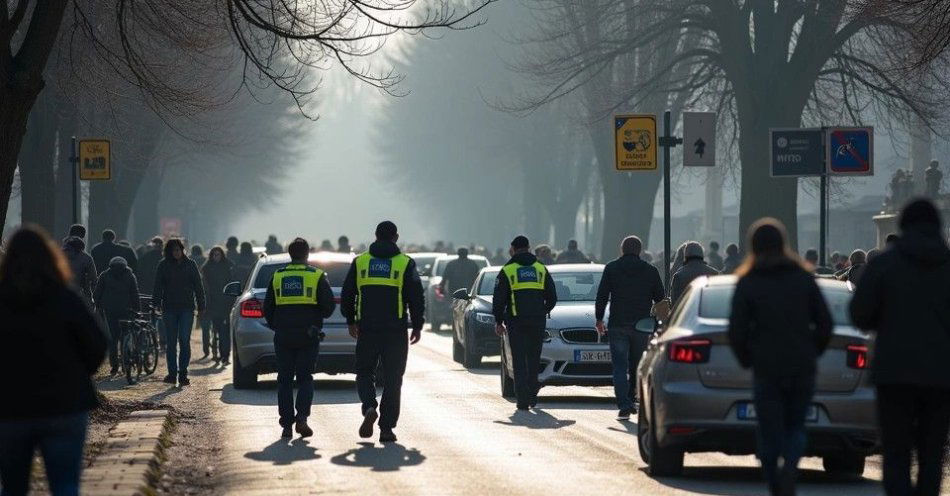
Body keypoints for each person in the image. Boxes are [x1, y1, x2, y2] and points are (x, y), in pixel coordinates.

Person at [850, 199, 950, 496]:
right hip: (941, 373)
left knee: (896, 451)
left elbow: (859, 314)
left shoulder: (884, 264)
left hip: (894, 372)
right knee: (932, 453)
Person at [728, 218, 833, 496]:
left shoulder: (749, 281)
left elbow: (736, 328)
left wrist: (746, 357)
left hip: (766, 364)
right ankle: (791, 466)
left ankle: (774, 474)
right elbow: (825, 323)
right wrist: (814, 350)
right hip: (801, 363)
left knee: (768, 425)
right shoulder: (803, 278)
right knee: (796, 424)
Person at [0, 226, 107, 496]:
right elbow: (97, 344)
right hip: (65, 405)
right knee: (65, 485)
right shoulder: (65, 297)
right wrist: (79, 374)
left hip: (10, 407)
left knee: (12, 487)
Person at [341, 221, 425, 443]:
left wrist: (350, 320)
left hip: (367, 328)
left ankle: (369, 405)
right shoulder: (405, 263)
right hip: (395, 331)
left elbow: (348, 293)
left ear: (376, 236)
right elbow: (416, 295)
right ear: (396, 237)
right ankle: (386, 428)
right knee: (393, 378)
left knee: (364, 371)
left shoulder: (361, 262)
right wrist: (417, 324)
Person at [263, 238, 335, 438]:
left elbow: (267, 307)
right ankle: (302, 418)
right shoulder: (317, 275)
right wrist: (315, 316)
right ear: (307, 254)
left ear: (289, 253)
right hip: (308, 335)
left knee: (284, 380)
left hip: (284, 334)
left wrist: (277, 325)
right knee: (305, 378)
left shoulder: (278, 276)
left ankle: (286, 425)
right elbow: (329, 307)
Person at [594, 235, 665, 420]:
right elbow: (660, 297)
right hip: (642, 324)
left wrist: (599, 319)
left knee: (619, 366)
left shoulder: (611, 268)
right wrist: (664, 321)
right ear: (640, 250)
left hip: (618, 323)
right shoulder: (650, 270)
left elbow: (602, 295)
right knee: (638, 364)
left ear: (622, 249)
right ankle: (633, 396)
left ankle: (623, 404)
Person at [493, 236, 558, 410]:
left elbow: (498, 299)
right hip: (537, 322)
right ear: (529, 248)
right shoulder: (540, 269)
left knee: (519, 360)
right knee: (534, 359)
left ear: (513, 249)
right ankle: (532, 394)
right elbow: (552, 297)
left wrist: (499, 321)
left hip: (516, 322)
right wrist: (543, 311)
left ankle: (522, 400)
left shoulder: (508, 270)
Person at [153, 238, 206, 386]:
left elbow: (198, 287)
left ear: (182, 250)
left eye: (178, 249)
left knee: (184, 340)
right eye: (173, 250)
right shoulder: (163, 265)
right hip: (169, 308)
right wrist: (156, 303)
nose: (176, 253)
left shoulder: (191, 265)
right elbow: (157, 286)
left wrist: (202, 306)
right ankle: (171, 374)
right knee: (171, 343)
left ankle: (183, 373)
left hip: (186, 308)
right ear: (169, 252)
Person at [94, 257, 141, 375]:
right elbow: (135, 294)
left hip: (110, 310)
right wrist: (137, 310)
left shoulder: (104, 275)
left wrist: (98, 306)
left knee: (113, 338)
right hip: (126, 309)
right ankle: (126, 362)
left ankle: (114, 366)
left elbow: (97, 293)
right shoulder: (130, 275)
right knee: (126, 335)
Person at [202, 246, 234, 365]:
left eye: (218, 254)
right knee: (217, 330)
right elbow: (205, 287)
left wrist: (231, 299)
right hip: (213, 304)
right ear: (211, 256)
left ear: (222, 255)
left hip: (225, 303)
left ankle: (225, 355)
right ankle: (219, 353)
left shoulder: (228, 266)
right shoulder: (206, 268)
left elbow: (231, 283)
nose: (216, 257)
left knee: (224, 331)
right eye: (214, 255)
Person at [190, 245, 214, 359]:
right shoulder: (206, 262)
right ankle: (213, 346)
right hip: (212, 300)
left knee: (205, 327)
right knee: (214, 327)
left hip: (201, 298)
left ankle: (206, 349)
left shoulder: (189, 261)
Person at [62, 235, 97, 303]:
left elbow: (93, 278)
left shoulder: (87, 259)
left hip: (79, 291)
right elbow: (93, 278)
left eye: (69, 249)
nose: (67, 251)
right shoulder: (87, 258)